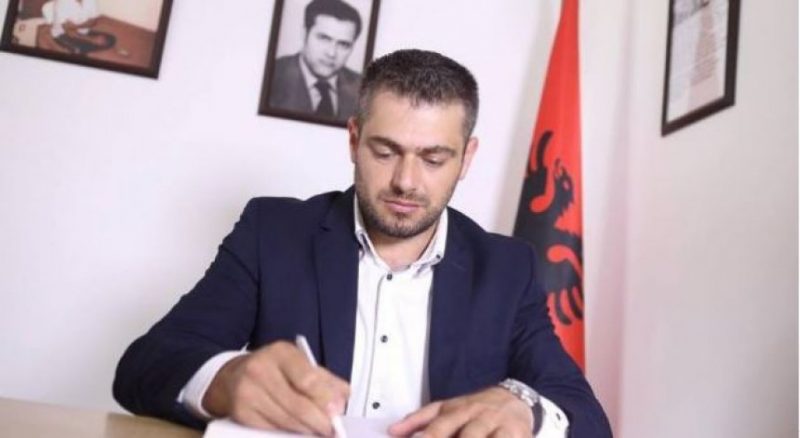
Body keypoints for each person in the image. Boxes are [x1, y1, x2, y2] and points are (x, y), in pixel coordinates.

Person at [113, 49, 612, 437]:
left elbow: (587, 416)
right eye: (386, 151)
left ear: (467, 158)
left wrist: (527, 411)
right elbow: (144, 365)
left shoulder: (506, 268)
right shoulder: (273, 232)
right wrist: (226, 380)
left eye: (433, 159)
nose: (406, 182)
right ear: (354, 139)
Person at [267, 0, 362, 122]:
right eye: (324, 38)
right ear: (304, 33)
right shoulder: (272, 75)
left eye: (343, 44)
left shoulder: (363, 88)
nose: (331, 53)